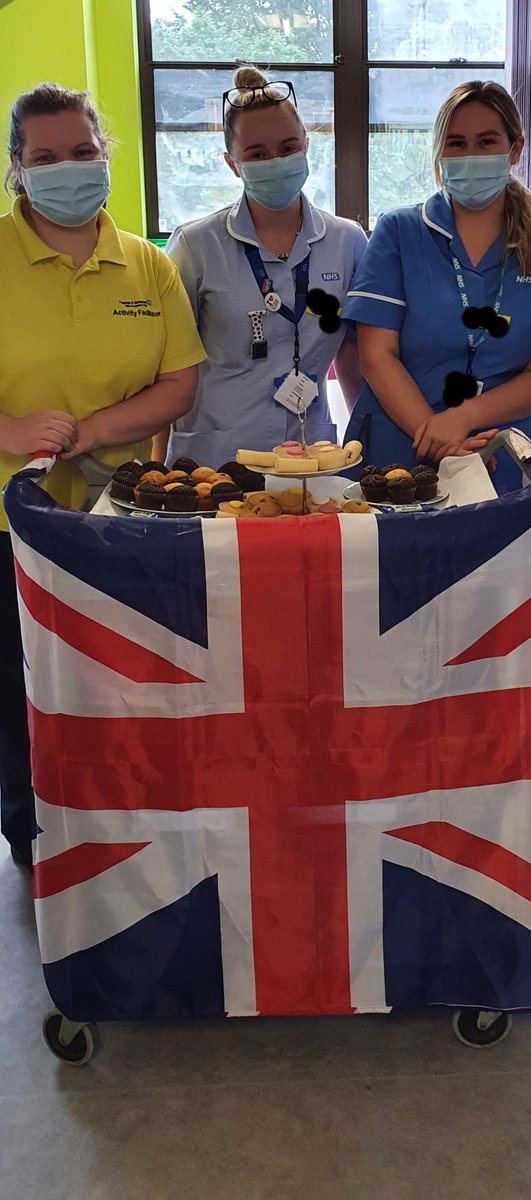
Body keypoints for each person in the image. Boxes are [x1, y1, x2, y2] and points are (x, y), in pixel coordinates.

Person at [0, 83, 204, 869]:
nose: (68, 169)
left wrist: (88, 431)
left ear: (105, 154)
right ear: (18, 168)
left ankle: (134, 832)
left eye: (82, 152)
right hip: (13, 526)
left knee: (127, 685)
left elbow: (177, 384)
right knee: (25, 696)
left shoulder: (148, 266)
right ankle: (38, 842)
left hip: (124, 521)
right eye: (45, 157)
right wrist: (12, 432)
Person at [341, 80, 531, 494]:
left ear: (515, 149)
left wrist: (462, 419)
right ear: (439, 153)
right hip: (396, 449)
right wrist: (438, 437)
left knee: (495, 557)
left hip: (495, 454)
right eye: (456, 143)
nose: (471, 154)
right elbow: (377, 356)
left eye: (487, 141)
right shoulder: (399, 232)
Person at [157, 66, 368, 468]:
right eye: (256, 154)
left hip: (312, 457)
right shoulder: (196, 246)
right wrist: (156, 471)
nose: (275, 161)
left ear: (307, 145)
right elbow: (167, 368)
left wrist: (362, 438)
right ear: (232, 163)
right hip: (213, 458)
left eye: (288, 147)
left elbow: (354, 352)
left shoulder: (348, 241)